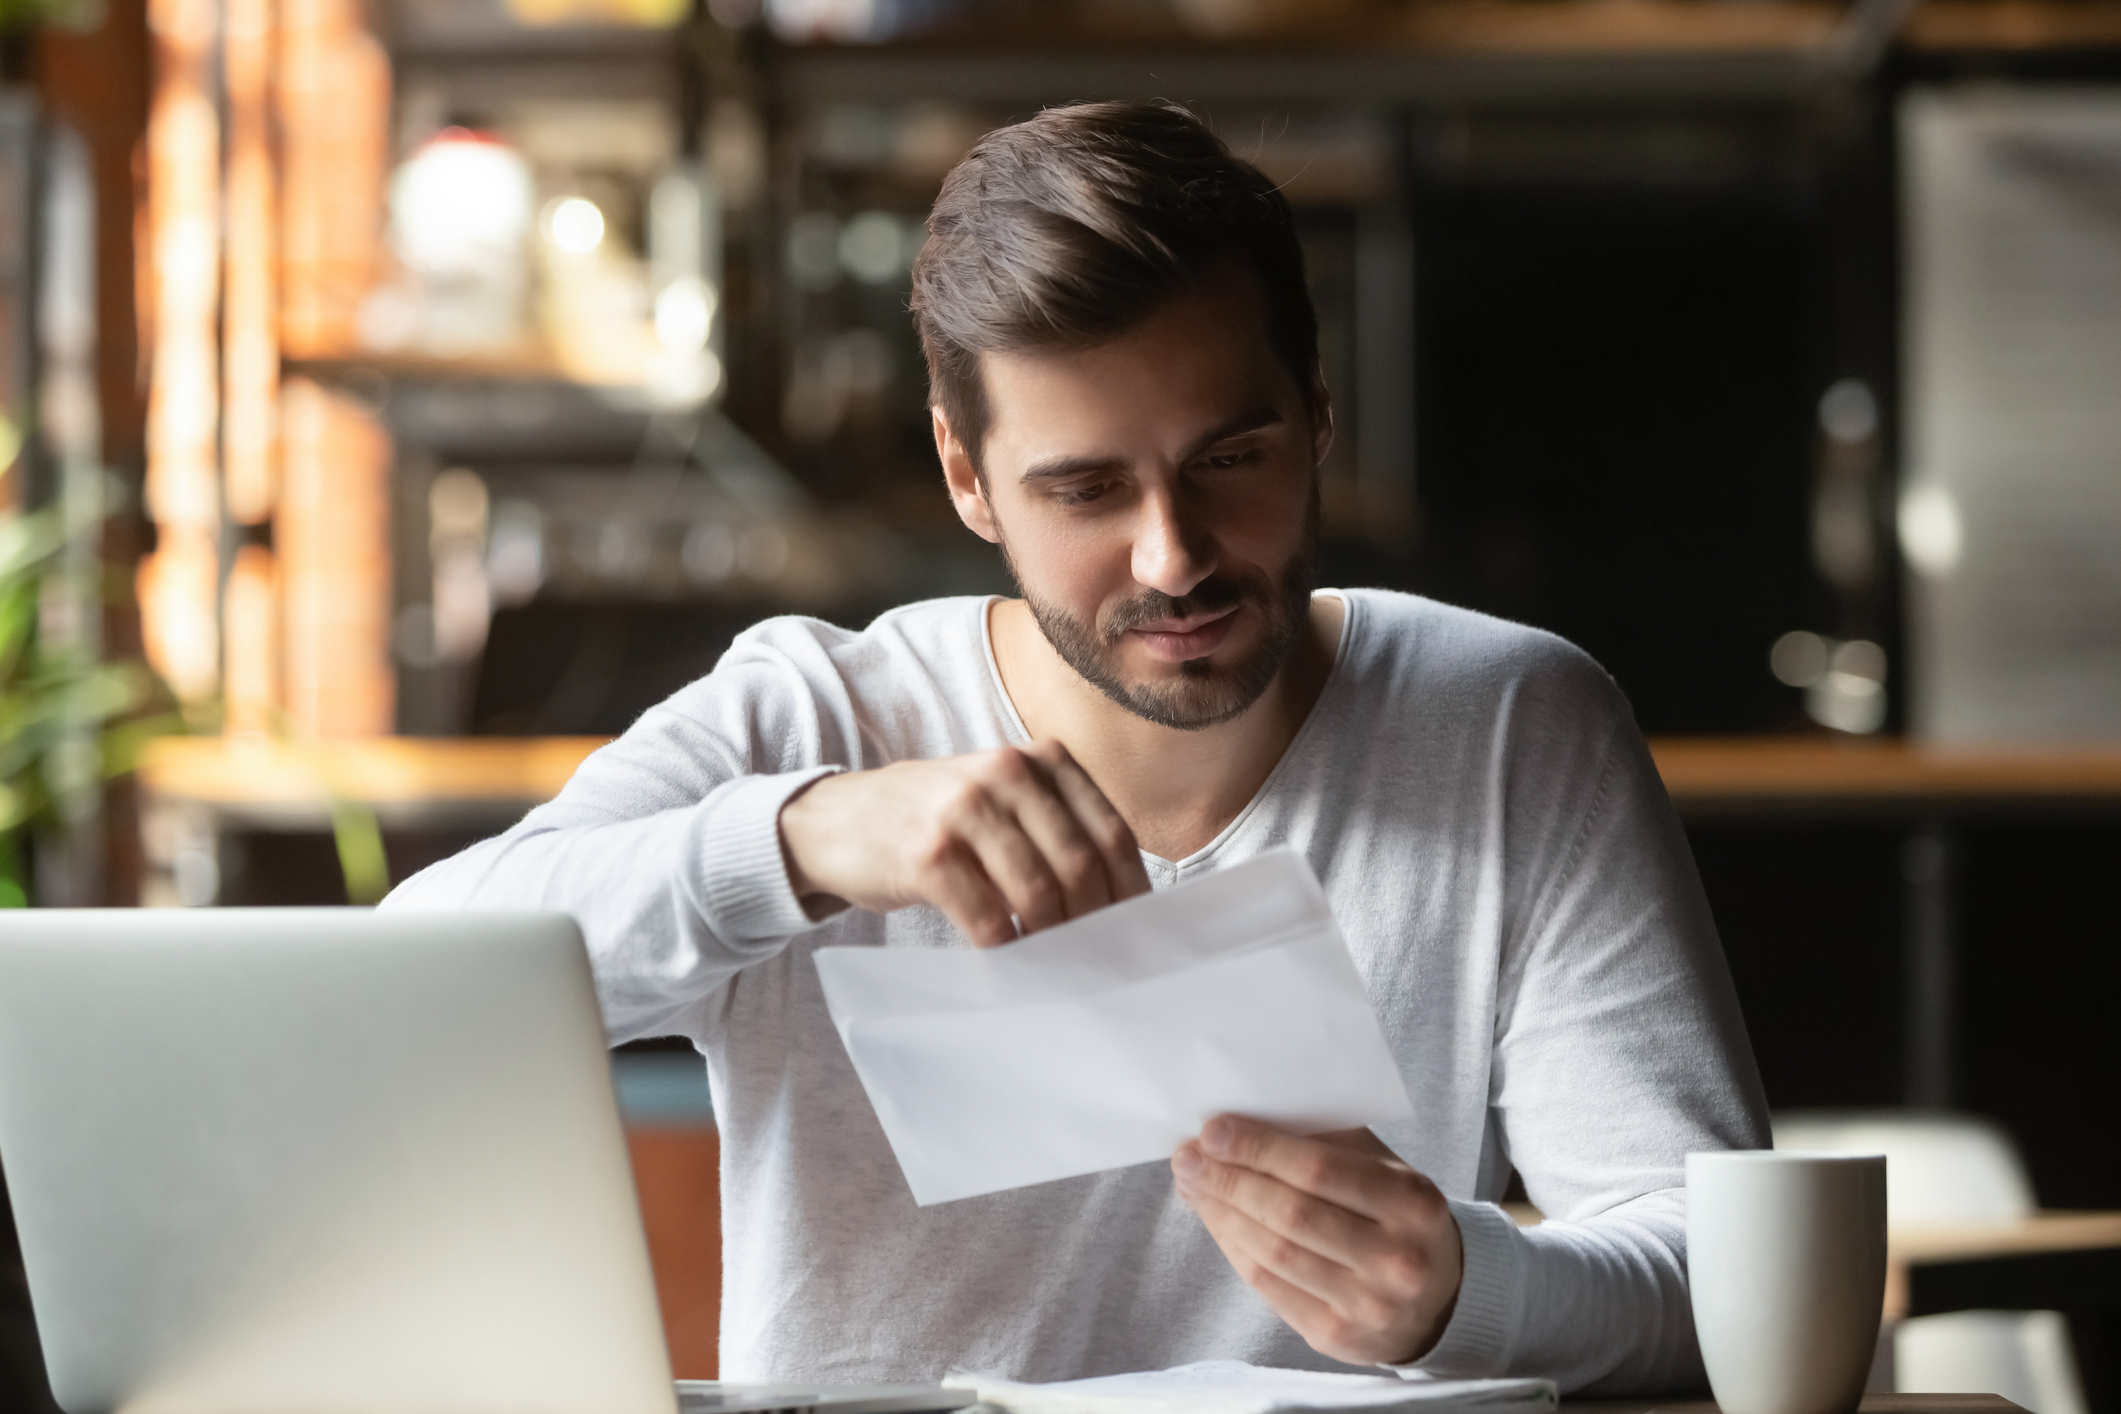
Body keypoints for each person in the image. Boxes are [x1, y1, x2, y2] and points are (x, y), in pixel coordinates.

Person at [384, 100, 1767, 1394]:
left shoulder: (1509, 725)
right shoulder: (811, 717)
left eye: (1229, 459)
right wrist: (803, 836)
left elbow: (1718, 1271)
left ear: (1319, 414)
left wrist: (1469, 1287)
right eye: (1087, 488)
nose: (1173, 557)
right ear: (965, 476)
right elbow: (416, 988)